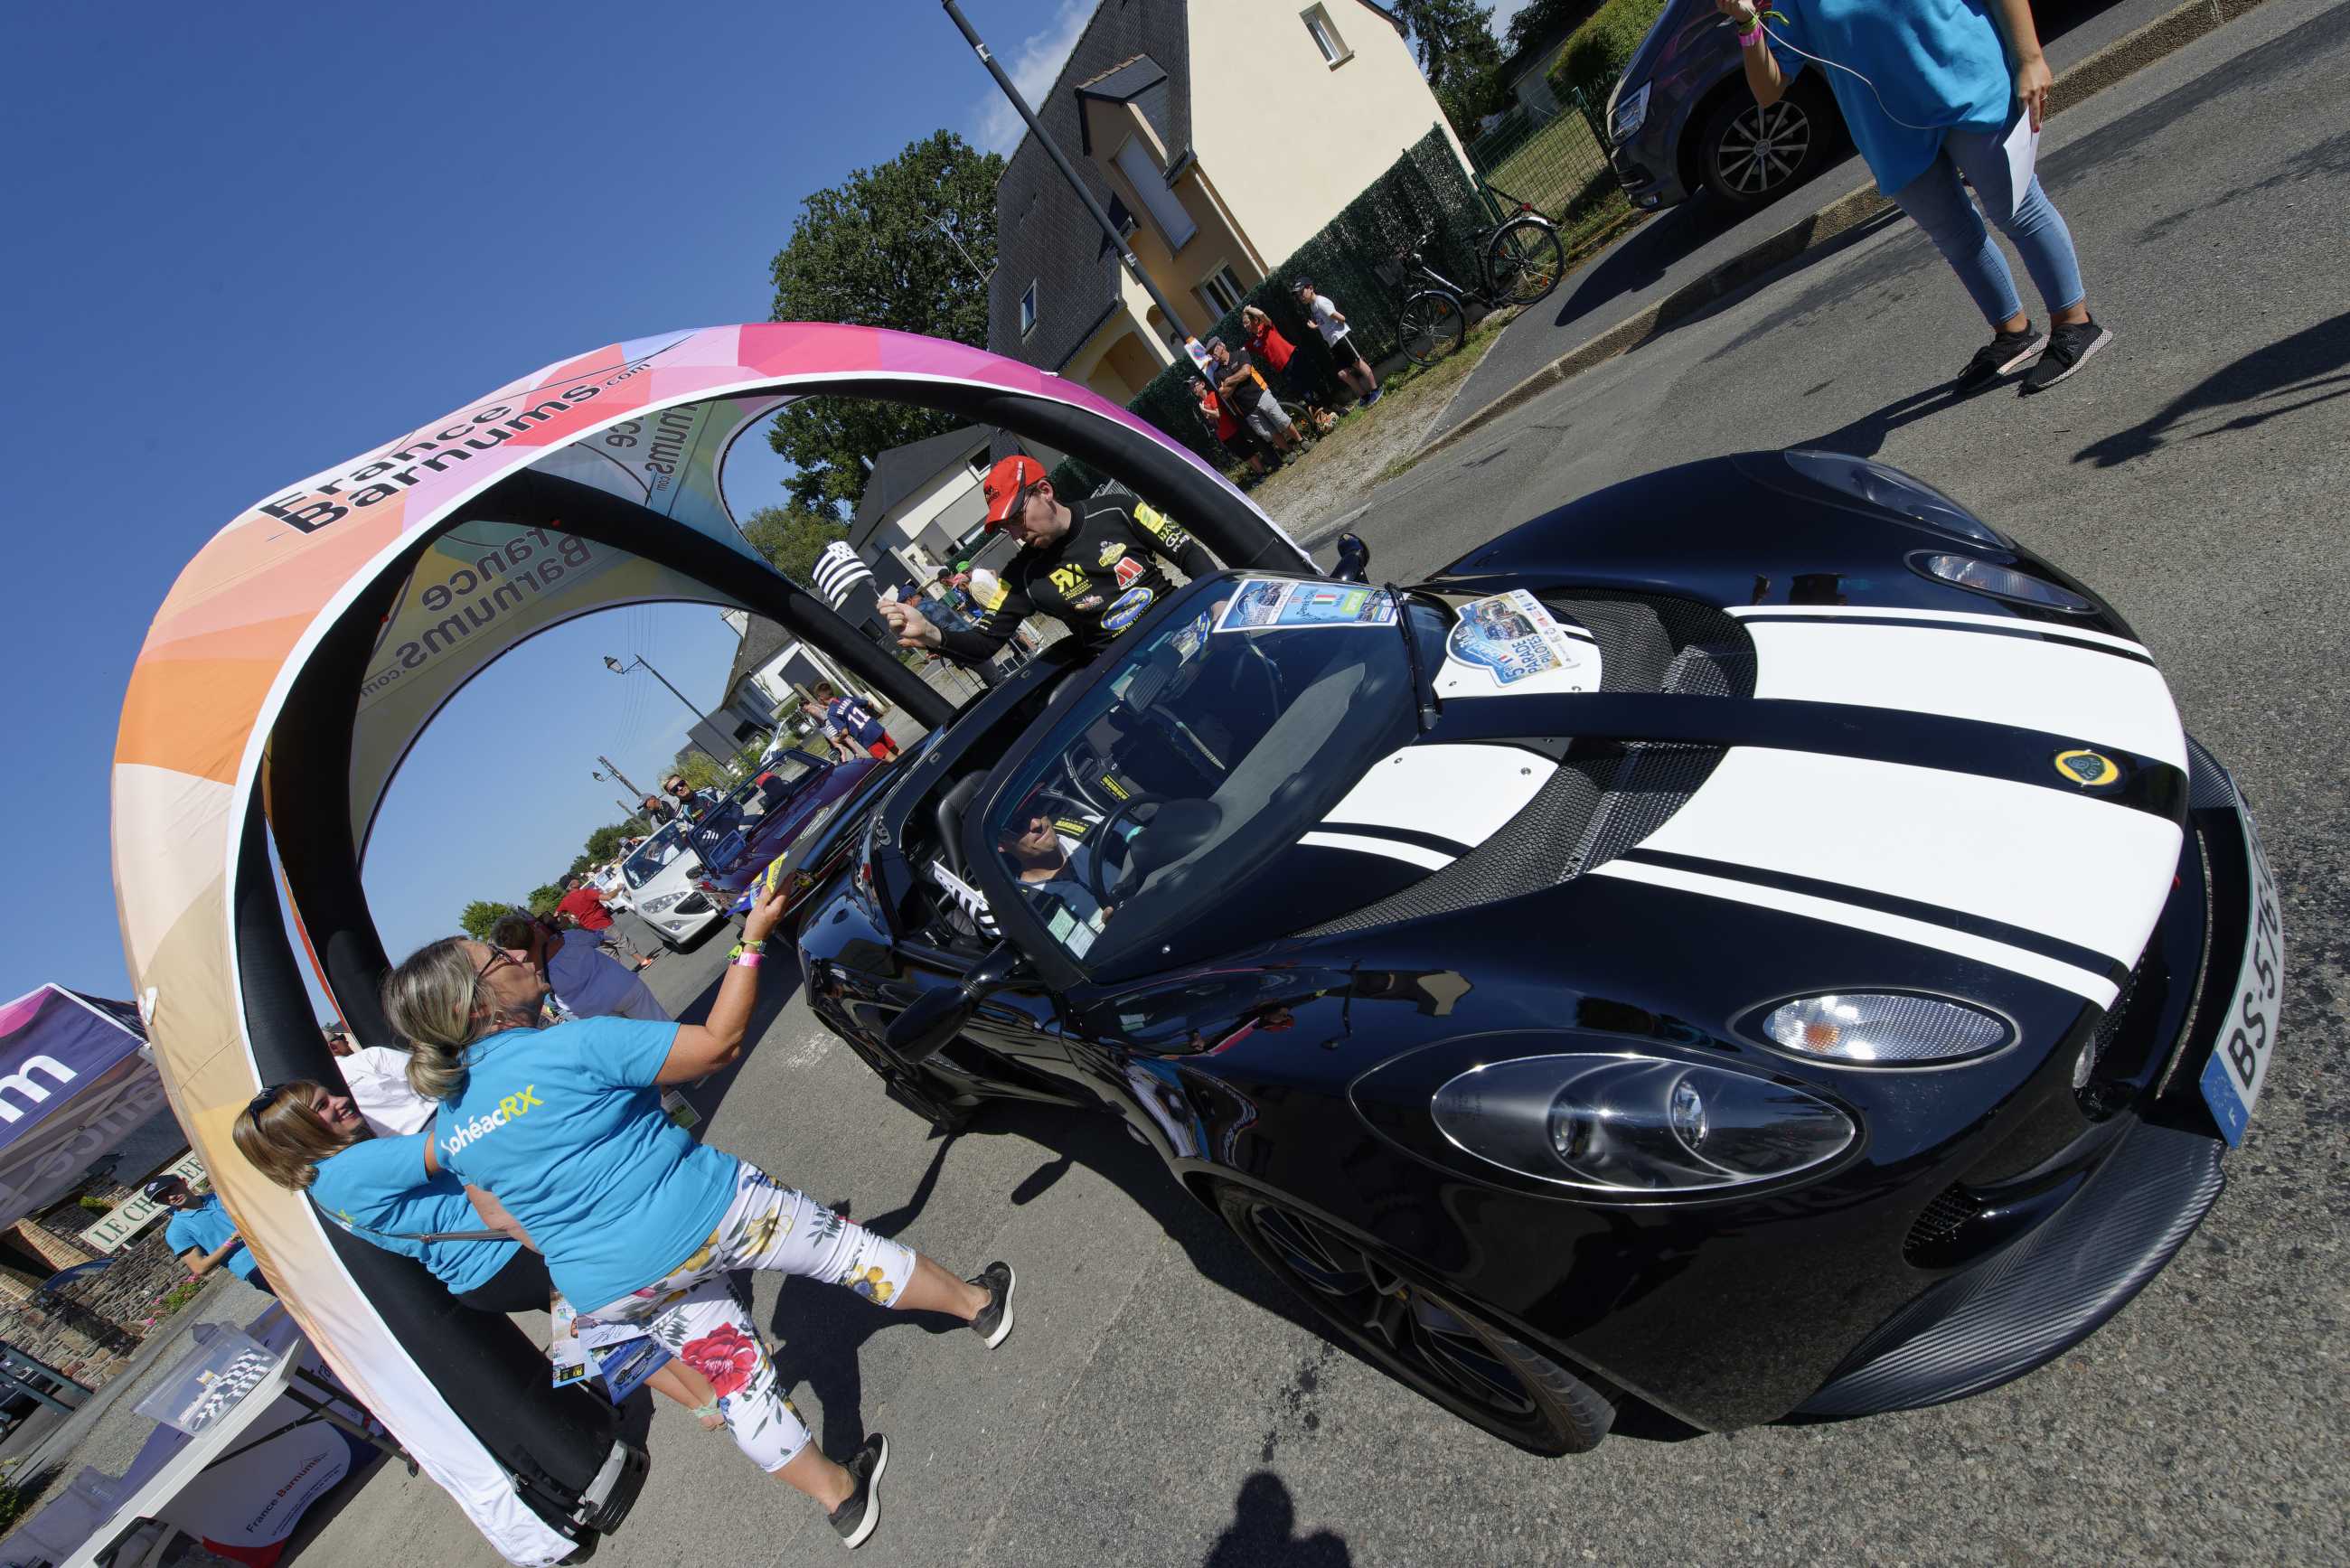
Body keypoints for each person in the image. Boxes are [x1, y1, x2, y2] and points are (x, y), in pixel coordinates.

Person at [380, 885, 1018, 1551]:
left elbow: (510, 1221)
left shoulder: (453, 1125)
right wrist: (751, 939)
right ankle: (979, 1304)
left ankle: (841, 1498)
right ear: (472, 1004)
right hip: (704, 1206)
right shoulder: (569, 1046)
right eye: (495, 958)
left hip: (612, 1283)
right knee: (846, 1253)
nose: (516, 956)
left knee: (735, 1377)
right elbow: (717, 1044)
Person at [232, 1081, 728, 1430]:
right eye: (322, 1106)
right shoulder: (354, 1165)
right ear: (300, 1133)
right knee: (632, 1308)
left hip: (482, 1278)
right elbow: (456, 1145)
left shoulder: (323, 1188)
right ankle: (720, 1383)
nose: (340, 1101)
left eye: (330, 1095)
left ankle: (702, 1404)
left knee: (605, 1332)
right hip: (508, 1253)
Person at [1719, 0, 2108, 392]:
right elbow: (1768, 90)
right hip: (1886, 130)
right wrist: (1746, 22)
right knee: (1956, 237)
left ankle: (2075, 323)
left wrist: (2030, 58)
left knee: (2018, 210)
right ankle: (2014, 333)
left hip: (1967, 83)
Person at [878, 456, 1216, 667]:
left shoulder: (1118, 508)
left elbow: (1187, 552)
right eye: (1005, 527)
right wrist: (931, 632)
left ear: (1045, 491)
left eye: (1017, 518)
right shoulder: (1020, 577)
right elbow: (984, 644)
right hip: (1134, 671)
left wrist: (1219, 605)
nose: (1015, 534)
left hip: (1193, 632)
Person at [490, 910, 672, 1024]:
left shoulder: (531, 973)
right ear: (533, 929)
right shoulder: (570, 939)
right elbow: (598, 937)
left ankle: (665, 1084)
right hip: (622, 988)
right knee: (662, 1027)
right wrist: (570, 927)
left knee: (639, 1049)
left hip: (594, 1015)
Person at [147, 1175, 270, 1294]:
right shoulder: (176, 1231)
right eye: (162, 1198)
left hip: (275, 1246)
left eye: (171, 1189)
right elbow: (200, 1267)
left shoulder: (222, 1196)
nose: (171, 1197)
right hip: (253, 1266)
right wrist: (232, 1240)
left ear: (184, 1181)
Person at [324, 1021, 435, 1136]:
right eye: (341, 1038)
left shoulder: (323, 1091)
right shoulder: (368, 1056)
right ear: (332, 1046)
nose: (346, 1040)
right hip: (430, 1119)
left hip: (394, 1145)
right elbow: (426, 1072)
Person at [1292, 278, 1379, 406]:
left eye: (1301, 292)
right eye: (1298, 295)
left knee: (1358, 363)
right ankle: (1365, 396)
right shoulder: (1313, 306)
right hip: (1333, 343)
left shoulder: (1321, 303)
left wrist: (1336, 329)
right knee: (1342, 374)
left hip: (1341, 338)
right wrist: (1316, 327)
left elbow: (1341, 318)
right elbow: (1325, 321)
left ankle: (1375, 390)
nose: (1300, 297)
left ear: (1310, 288)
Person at [1209, 337, 1299, 455]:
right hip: (1246, 409)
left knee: (1282, 420)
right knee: (1269, 434)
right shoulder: (1217, 374)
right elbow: (1224, 394)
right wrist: (1238, 378)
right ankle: (1290, 452)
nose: (1212, 354)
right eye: (1210, 353)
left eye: (1213, 350)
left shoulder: (1240, 354)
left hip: (1261, 395)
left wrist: (1228, 381)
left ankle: (1301, 441)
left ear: (1222, 345)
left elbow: (1246, 372)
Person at [1240, 305, 1322, 422]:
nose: (1245, 326)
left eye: (1246, 322)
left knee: (1313, 381)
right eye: (1243, 324)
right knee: (1304, 392)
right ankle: (1320, 415)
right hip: (1283, 369)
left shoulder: (1267, 326)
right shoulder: (1252, 342)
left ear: (1255, 320)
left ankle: (1331, 405)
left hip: (1293, 357)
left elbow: (1262, 315)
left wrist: (1248, 309)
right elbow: (1241, 352)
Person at [555, 876, 655, 972]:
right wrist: (618, 889)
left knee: (610, 954)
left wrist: (571, 922)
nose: (577, 879)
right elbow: (607, 897)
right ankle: (643, 961)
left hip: (590, 932)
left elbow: (556, 915)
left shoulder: (565, 902)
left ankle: (623, 975)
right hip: (603, 924)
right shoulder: (586, 892)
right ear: (572, 884)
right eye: (574, 879)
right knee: (623, 942)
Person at [1197, 380, 1270, 478]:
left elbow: (1218, 414)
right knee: (1243, 455)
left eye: (1195, 385)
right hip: (1222, 434)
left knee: (1248, 452)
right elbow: (1211, 420)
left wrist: (1204, 410)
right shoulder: (1202, 402)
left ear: (1202, 384)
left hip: (1231, 430)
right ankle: (1259, 473)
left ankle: (1263, 471)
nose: (1194, 389)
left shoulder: (1212, 395)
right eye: (1192, 388)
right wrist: (1207, 414)